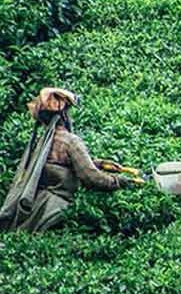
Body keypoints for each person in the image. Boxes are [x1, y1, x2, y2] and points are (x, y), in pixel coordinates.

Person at [2, 88, 137, 233]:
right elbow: (91, 178)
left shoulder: (43, 141)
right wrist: (123, 181)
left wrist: (100, 163)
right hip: (57, 210)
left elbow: (64, 165)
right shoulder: (70, 142)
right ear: (64, 115)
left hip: (38, 207)